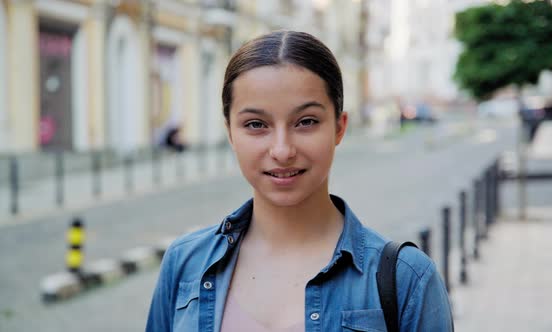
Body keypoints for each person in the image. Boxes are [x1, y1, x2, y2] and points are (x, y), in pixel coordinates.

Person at [146, 30, 453, 332]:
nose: (282, 150)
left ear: (339, 127)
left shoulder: (405, 279)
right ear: (230, 133)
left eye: (306, 122)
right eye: (256, 124)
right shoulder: (185, 264)